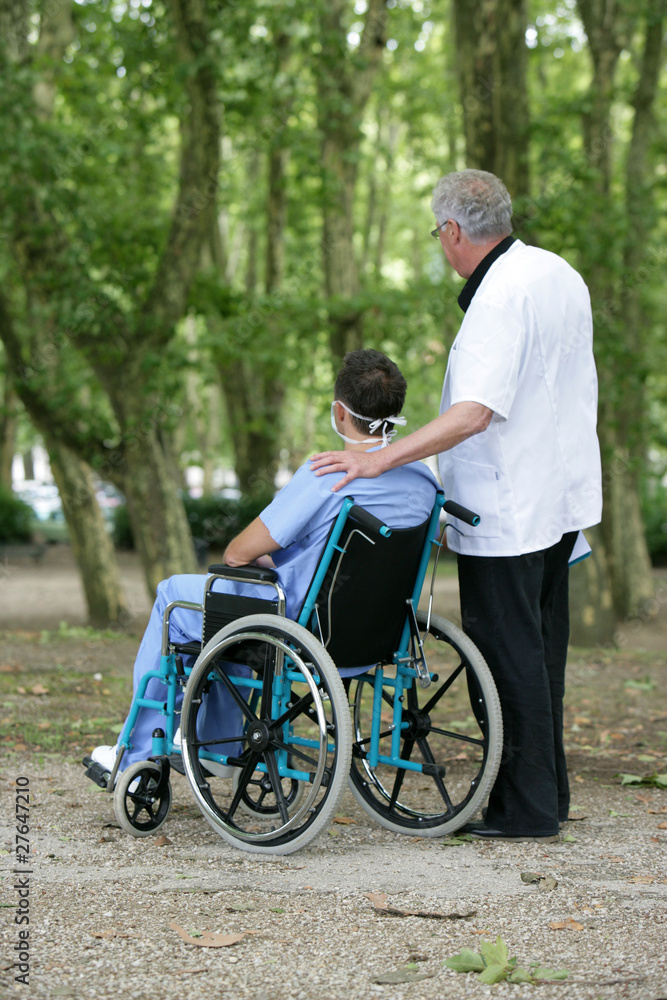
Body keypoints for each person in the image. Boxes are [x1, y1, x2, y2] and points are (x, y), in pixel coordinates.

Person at [310, 170, 602, 840]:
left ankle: (523, 811)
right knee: (541, 654)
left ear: (451, 233)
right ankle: (545, 795)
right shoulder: (556, 271)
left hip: (509, 507)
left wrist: (378, 456)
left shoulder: (497, 299)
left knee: (505, 662)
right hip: (559, 501)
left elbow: (474, 412)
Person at [89, 349, 439, 777]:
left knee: (178, 598)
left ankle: (141, 751)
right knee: (232, 604)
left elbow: (237, 553)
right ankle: (212, 735)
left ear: (339, 412)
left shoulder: (327, 473)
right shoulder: (423, 480)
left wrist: (280, 555)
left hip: (299, 622)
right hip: (378, 633)